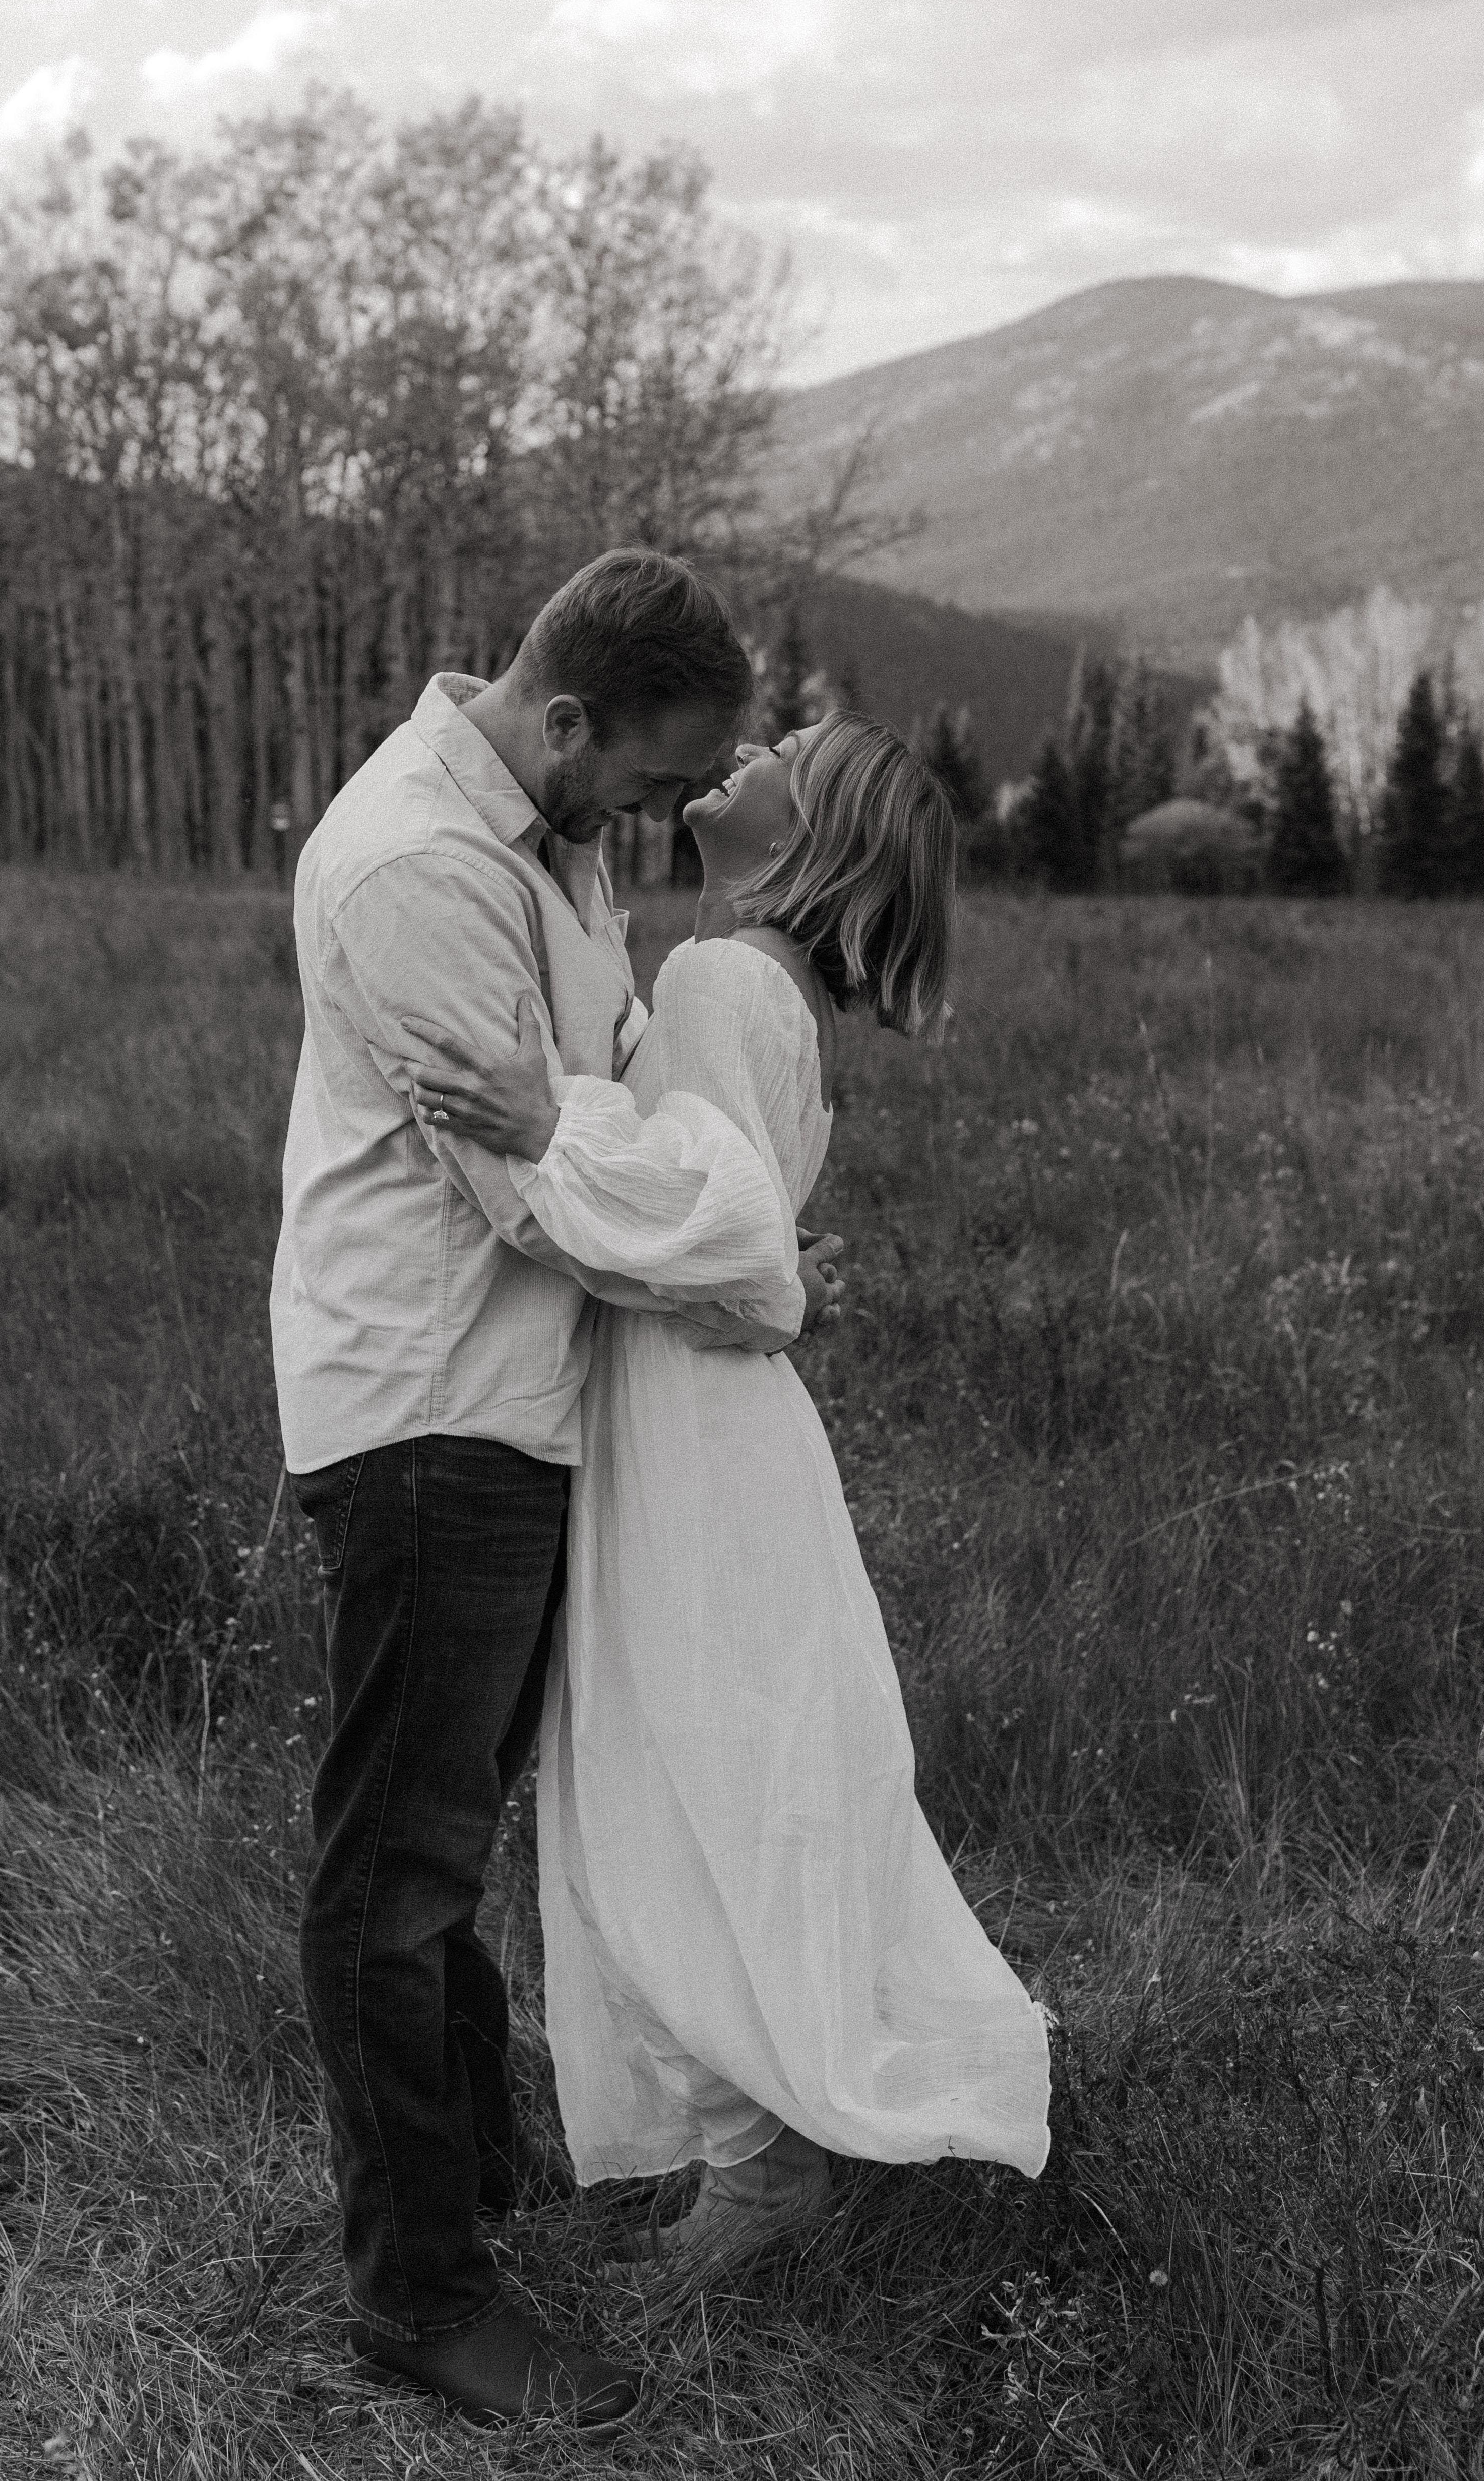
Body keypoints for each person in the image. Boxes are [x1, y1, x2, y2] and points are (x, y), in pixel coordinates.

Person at [269, 548, 846, 2436]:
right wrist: (739, 1247)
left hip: (513, 1405)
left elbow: (593, 1101)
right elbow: (541, 1193)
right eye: (653, 778)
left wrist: (722, 1225)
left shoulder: (553, 828)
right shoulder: (422, 868)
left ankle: (481, 2185)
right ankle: (420, 2294)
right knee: (398, 1869)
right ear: (569, 716)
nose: (661, 813)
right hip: (430, 1407)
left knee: (450, 1840)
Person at [405, 713, 1054, 2288]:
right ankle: (752, 2139)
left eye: (786, 746)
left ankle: (760, 2171)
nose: (742, 744)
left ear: (814, 826)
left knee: (672, 1782)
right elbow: (742, 1227)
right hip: (704, 1416)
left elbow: (736, 1251)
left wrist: (543, 1126)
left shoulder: (717, 977)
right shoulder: (745, 978)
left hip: (686, 1424)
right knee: (702, 1770)